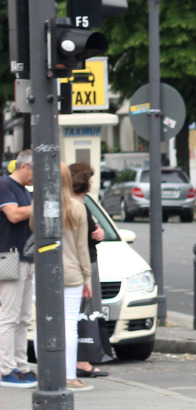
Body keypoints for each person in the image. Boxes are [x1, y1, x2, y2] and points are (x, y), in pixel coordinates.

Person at [69, 162, 109, 377]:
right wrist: (86, 276)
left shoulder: (77, 205)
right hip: (83, 264)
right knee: (85, 311)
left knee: (80, 312)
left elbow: (92, 232)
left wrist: (99, 231)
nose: (92, 182)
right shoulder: (79, 206)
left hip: (80, 262)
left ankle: (80, 360)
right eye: (90, 178)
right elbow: (83, 240)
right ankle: (82, 361)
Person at [0, 150, 36, 388]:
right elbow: (13, 215)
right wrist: (44, 204)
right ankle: (6, 368)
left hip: (25, 256)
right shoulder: (5, 185)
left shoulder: (24, 191)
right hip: (9, 255)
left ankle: (21, 365)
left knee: (23, 317)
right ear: (24, 167)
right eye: (35, 171)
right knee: (10, 316)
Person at [59, 163, 94, 392]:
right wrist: (87, 278)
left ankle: (50, 371)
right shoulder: (77, 208)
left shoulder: (41, 204)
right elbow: (82, 247)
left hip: (41, 275)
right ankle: (70, 376)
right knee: (69, 323)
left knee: (45, 323)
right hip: (71, 271)